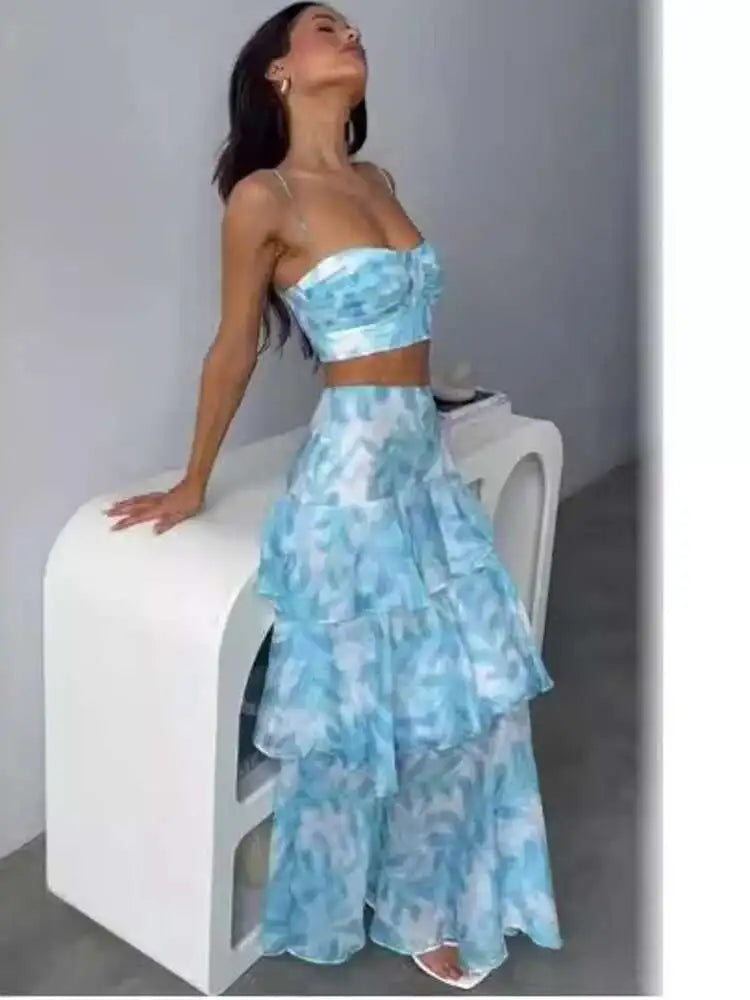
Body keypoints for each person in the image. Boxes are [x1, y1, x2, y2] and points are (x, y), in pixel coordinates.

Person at [104, 3, 562, 987]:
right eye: (324, 27)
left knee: (461, 690)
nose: (349, 36)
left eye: (353, 28)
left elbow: (401, 324)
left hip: (420, 465)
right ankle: (364, 891)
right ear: (278, 69)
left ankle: (427, 895)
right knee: (363, 707)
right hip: (351, 475)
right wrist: (193, 481)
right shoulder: (263, 199)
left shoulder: (376, 181)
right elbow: (234, 346)